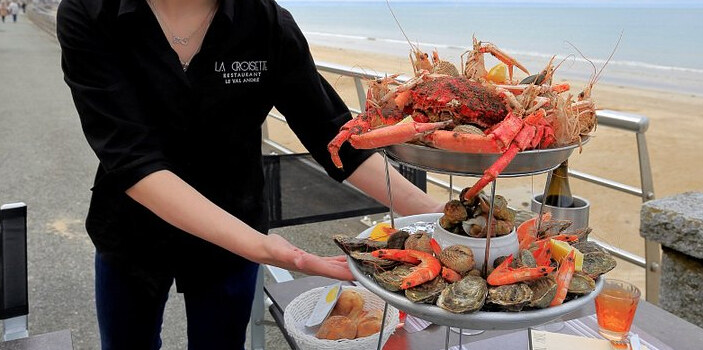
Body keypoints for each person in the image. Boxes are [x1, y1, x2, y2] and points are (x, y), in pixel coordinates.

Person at [56, 0, 444, 349]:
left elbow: (335, 137)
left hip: (233, 236)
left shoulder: (266, 23)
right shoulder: (90, 13)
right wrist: (274, 251)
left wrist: (442, 218)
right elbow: (132, 159)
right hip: (131, 228)